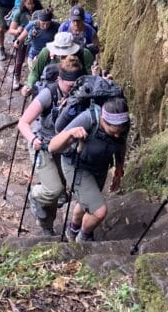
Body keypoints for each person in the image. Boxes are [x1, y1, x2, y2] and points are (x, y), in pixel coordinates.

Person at [17, 54, 82, 235]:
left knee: (58, 188)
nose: (72, 89)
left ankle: (47, 225)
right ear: (60, 80)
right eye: (69, 86)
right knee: (54, 190)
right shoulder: (48, 94)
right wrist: (33, 140)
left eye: (75, 85)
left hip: (64, 147)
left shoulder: (79, 93)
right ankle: (35, 195)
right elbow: (23, 123)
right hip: (42, 146)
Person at [49, 96, 129, 243]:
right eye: (113, 132)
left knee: (87, 202)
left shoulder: (123, 124)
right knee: (99, 211)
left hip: (100, 166)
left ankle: (73, 229)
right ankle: (83, 240)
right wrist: (70, 133)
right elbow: (52, 146)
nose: (117, 135)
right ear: (103, 120)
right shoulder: (87, 119)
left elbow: (121, 145)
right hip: (77, 166)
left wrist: (119, 168)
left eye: (120, 131)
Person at [23, 31, 94, 96]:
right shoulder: (46, 53)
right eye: (58, 52)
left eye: (64, 54)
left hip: (77, 92)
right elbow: (35, 73)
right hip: (50, 91)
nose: (60, 56)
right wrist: (29, 85)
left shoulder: (84, 54)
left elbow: (90, 77)